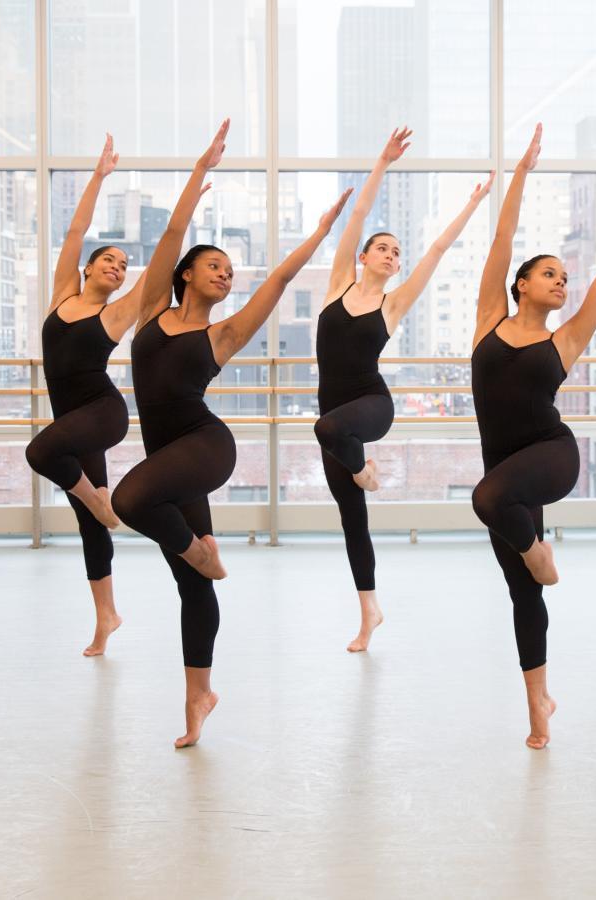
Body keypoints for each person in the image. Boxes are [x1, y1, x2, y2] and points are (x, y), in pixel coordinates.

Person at [111, 120, 352, 747]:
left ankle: (199, 551)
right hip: (172, 462)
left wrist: (320, 236)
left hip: (205, 447)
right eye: (214, 266)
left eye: (229, 271)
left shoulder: (222, 335)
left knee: (128, 501)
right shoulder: (148, 315)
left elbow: (275, 284)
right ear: (185, 274)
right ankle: (199, 696)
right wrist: (198, 172)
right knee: (194, 587)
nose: (226, 275)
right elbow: (168, 233)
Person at [469, 124, 596, 749]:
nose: (561, 281)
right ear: (520, 284)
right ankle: (539, 703)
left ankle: (539, 553)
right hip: (505, 469)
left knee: (489, 502)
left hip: (551, 457)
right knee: (522, 591)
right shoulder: (486, 323)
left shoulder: (566, 338)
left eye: (563, 277)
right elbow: (501, 238)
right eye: (549, 274)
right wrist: (521, 172)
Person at [315, 126, 491, 652]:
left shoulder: (392, 305)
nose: (392, 255)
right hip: (336, 424)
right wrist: (383, 162)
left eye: (397, 252)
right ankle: (370, 613)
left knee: (328, 429)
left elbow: (437, 249)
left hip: (369, 407)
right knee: (353, 519)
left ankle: (365, 469)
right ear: (364, 257)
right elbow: (360, 214)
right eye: (384, 250)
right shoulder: (336, 285)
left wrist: (471, 206)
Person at [25, 133, 144, 657]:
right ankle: (106, 617)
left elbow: (156, 277)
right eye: (109, 261)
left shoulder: (113, 314)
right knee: (87, 519)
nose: (117, 269)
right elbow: (74, 229)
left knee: (46, 454)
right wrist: (98, 177)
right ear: (88, 268)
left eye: (123, 267)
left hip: (102, 412)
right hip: (72, 419)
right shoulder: (61, 296)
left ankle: (101, 501)